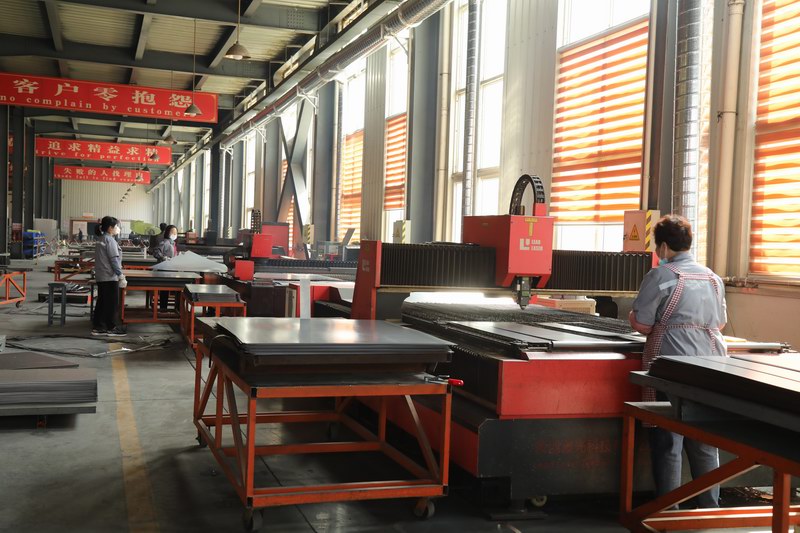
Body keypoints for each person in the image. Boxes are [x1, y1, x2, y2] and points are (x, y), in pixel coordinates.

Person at [629, 214, 727, 509]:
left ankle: (668, 510)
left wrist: (633, 317)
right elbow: (720, 322)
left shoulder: (661, 275)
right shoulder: (712, 277)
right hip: (711, 361)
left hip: (672, 362)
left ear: (662, 247)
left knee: (669, 439)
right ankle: (709, 509)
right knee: (705, 440)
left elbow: (643, 324)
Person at [92, 216, 127, 337]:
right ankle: (111, 327)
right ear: (110, 228)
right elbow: (114, 260)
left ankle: (99, 326)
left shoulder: (101, 239)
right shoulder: (110, 240)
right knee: (111, 303)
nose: (117, 228)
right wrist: (120, 275)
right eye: (116, 226)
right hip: (109, 276)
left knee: (102, 301)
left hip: (101, 275)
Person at [152, 225, 178, 312]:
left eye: (176, 232)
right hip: (164, 270)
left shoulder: (173, 243)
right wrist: (163, 257)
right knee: (164, 290)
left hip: (171, 269)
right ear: (167, 233)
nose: (174, 234)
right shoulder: (165, 242)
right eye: (172, 232)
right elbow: (155, 251)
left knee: (169, 289)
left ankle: (173, 309)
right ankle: (163, 309)